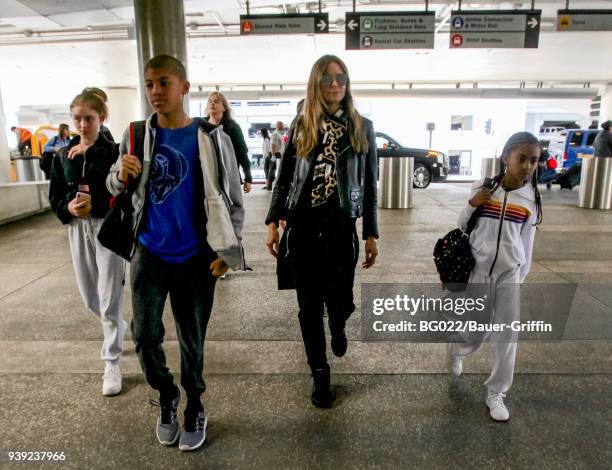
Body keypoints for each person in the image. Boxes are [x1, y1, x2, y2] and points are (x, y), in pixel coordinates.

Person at [106, 54, 245, 452]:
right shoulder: (135, 134)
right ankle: (166, 395)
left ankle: (195, 406)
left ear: (184, 87)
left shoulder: (212, 138)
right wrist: (120, 175)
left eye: (164, 82)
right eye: (149, 84)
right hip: (149, 252)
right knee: (144, 336)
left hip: (196, 256)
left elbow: (233, 200)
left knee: (192, 340)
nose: (155, 91)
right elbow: (112, 187)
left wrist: (229, 252)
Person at [265, 55, 379, 408]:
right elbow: (284, 178)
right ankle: (319, 370)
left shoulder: (362, 127)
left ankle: (340, 323)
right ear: (316, 84)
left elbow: (369, 185)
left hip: (341, 226)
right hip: (302, 227)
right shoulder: (302, 126)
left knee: (340, 299)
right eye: (327, 78)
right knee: (308, 305)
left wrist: (370, 233)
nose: (335, 83)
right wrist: (273, 222)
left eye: (340, 77)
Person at [447, 131, 542, 422]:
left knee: (507, 334)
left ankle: (496, 392)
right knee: (476, 330)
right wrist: (473, 203)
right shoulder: (483, 187)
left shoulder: (530, 199)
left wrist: (519, 276)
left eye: (534, 160)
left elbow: (527, 243)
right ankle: (456, 350)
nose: (527, 165)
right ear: (506, 158)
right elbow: (462, 224)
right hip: (478, 271)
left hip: (509, 274)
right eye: (522, 158)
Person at [48, 89, 126, 397]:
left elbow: (119, 188)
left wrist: (88, 155)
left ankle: (112, 361)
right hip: (77, 229)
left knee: (109, 297)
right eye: (78, 119)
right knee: (91, 299)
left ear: (102, 118)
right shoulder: (61, 156)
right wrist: (67, 208)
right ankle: (118, 325)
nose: (82, 125)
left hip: (107, 228)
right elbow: (55, 196)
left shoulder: (112, 150)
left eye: (89, 119)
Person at [204, 91, 252, 193]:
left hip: (228, 178)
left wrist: (248, 178)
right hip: (205, 178)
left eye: (216, 101)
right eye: (210, 102)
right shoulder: (201, 126)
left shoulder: (232, 128)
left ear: (224, 108)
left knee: (230, 208)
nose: (212, 104)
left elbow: (242, 153)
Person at [265, 121, 285, 190]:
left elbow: (280, 145)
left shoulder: (279, 133)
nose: (283, 127)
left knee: (276, 169)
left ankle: (273, 185)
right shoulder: (275, 134)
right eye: (282, 125)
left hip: (278, 153)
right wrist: (273, 155)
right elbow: (273, 145)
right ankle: (269, 187)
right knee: (273, 170)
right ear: (278, 126)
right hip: (274, 153)